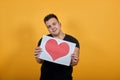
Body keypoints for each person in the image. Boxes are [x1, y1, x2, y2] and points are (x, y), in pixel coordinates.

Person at [34, 13, 80, 80]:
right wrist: (37, 56)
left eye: (54, 24)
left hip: (65, 78)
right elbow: (40, 61)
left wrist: (75, 61)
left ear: (59, 24)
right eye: (49, 26)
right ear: (47, 29)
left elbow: (73, 63)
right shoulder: (44, 40)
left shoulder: (73, 41)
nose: (52, 27)